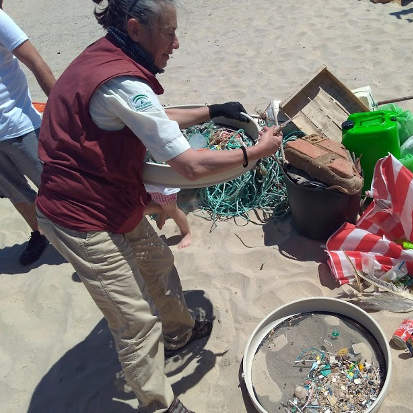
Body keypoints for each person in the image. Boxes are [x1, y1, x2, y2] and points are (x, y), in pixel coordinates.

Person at [35, 1, 282, 412]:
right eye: (169, 33)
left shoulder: (107, 57)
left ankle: (180, 331)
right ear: (135, 29)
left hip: (113, 195)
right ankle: (159, 404)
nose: (177, 43)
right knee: (133, 321)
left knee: (157, 262)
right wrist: (255, 151)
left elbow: (154, 116)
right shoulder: (120, 82)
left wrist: (214, 110)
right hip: (78, 214)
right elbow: (190, 165)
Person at [0, 0, 55, 265]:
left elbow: (35, 61)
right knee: (16, 192)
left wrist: (62, 110)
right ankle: (39, 233)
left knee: (56, 186)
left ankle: (92, 230)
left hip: (20, 126)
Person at [144, 183, 192, 249]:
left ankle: (186, 233)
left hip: (162, 186)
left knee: (172, 210)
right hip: (146, 183)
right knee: (138, 209)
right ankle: (163, 210)